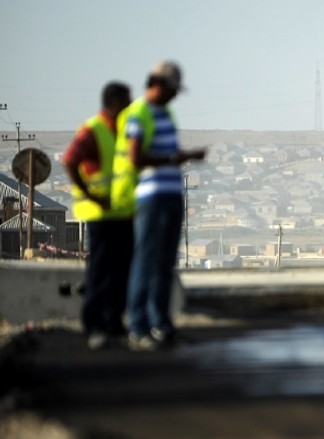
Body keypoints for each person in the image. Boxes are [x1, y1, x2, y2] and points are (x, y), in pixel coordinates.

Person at [112, 61, 206, 351]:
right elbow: (135, 157)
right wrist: (173, 160)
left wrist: (184, 155)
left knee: (165, 263)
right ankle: (139, 327)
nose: (176, 95)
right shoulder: (138, 113)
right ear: (158, 84)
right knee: (146, 261)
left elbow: (166, 151)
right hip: (150, 196)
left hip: (171, 194)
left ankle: (161, 324)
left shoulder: (165, 113)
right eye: (173, 89)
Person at [62, 82, 133, 350]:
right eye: (126, 101)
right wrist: (91, 196)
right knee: (101, 270)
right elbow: (70, 160)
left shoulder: (123, 131)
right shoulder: (93, 130)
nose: (130, 105)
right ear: (115, 103)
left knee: (121, 269)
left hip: (124, 212)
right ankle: (94, 325)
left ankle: (114, 322)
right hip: (101, 214)